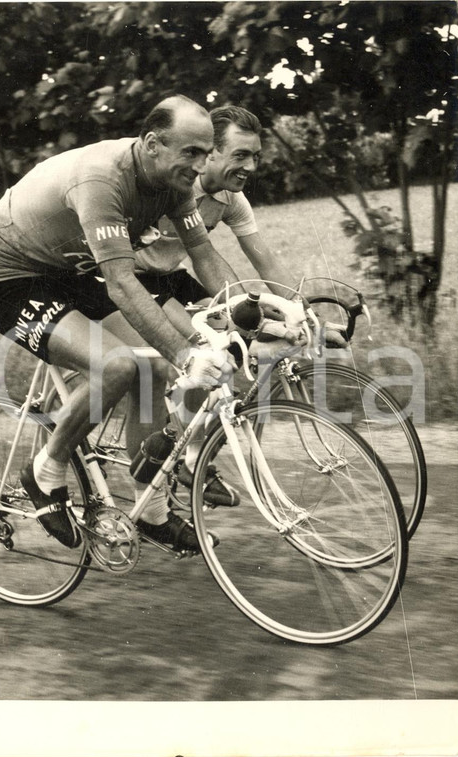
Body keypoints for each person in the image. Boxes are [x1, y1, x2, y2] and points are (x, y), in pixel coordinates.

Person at [0, 95, 241, 553]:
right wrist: (187, 353)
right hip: (8, 277)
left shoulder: (175, 183)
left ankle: (151, 511)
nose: (200, 165)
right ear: (153, 144)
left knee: (153, 368)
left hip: (65, 271)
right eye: (190, 152)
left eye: (206, 152)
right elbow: (120, 282)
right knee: (117, 366)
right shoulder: (102, 178)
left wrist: (247, 309)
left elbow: (205, 256)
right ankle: (45, 472)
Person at [125, 105, 298, 491]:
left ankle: (191, 455)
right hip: (134, 276)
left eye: (255, 156)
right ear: (210, 152)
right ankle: (167, 458)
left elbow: (264, 258)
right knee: (203, 347)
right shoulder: (174, 186)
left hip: (171, 277)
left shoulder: (230, 200)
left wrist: (297, 310)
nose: (251, 165)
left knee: (239, 343)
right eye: (241, 155)